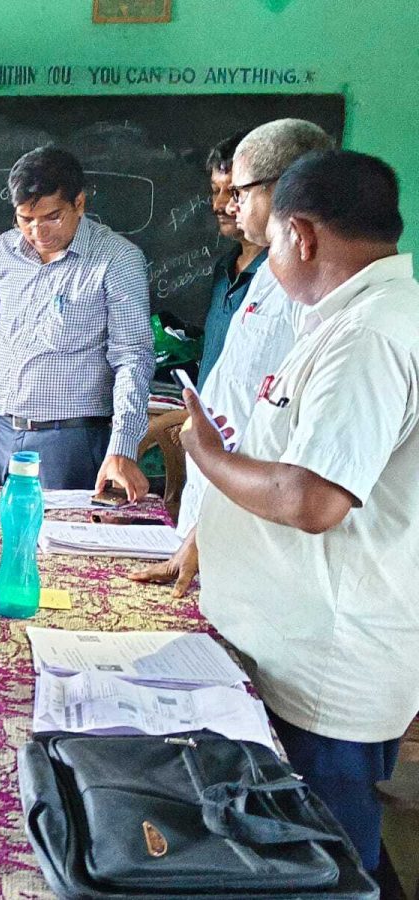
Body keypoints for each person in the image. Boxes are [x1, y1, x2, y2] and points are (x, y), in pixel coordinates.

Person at [181, 150, 419, 877]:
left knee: (321, 863)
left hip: (327, 666)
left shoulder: (371, 334)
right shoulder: (353, 318)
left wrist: (205, 454)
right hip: (300, 645)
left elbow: (314, 498)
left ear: (302, 236)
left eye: (273, 237)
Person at [130, 119, 333, 595]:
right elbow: (237, 395)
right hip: (216, 518)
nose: (227, 204)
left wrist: (211, 527)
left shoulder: (311, 295)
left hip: (253, 530)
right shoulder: (268, 274)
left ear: (285, 190)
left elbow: (279, 440)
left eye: (239, 191)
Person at [0, 145, 153, 497]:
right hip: (1, 435)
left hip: (71, 441)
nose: (37, 231)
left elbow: (133, 358)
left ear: (79, 203)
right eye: (25, 219)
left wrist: (122, 445)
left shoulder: (117, 259)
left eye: (51, 216)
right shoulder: (4, 251)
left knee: (59, 533)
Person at [196, 129, 266, 390]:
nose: (220, 205)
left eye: (234, 192)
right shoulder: (224, 269)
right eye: (216, 191)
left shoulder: (281, 275)